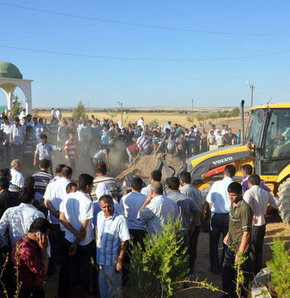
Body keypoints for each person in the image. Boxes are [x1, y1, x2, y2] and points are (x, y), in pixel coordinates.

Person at [59, 174, 95, 294]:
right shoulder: (87, 201)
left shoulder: (68, 198)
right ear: (87, 186)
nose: (92, 187)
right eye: (92, 185)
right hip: (84, 242)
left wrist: (73, 233)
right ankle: (83, 293)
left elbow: (62, 218)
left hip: (69, 239)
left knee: (73, 269)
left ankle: (73, 292)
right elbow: (83, 229)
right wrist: (77, 238)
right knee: (84, 270)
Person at [244, 174, 280, 275]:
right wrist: (266, 210)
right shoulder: (265, 193)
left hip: (253, 225)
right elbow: (277, 203)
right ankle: (257, 271)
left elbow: (245, 206)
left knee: (251, 250)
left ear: (249, 183)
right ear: (259, 183)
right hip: (262, 224)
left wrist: (251, 216)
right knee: (259, 249)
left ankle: (251, 274)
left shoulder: (249, 192)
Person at [166, 177, 201, 278]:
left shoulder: (166, 199)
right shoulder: (187, 199)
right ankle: (185, 276)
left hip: (170, 233)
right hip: (185, 232)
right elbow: (198, 211)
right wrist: (193, 225)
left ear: (168, 187)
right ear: (179, 185)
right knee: (184, 255)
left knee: (171, 255)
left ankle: (172, 278)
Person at [222, 182, 253, 297]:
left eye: (233, 195)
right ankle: (227, 294)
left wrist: (240, 253)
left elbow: (247, 232)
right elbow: (234, 223)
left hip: (240, 247)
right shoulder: (233, 204)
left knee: (239, 276)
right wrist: (227, 234)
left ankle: (239, 295)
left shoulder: (245, 208)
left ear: (240, 193)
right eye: (229, 194)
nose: (231, 197)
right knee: (226, 272)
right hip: (230, 245)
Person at [96, 195, 130, 298]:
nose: (107, 209)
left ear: (113, 204)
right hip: (101, 260)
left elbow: (124, 241)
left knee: (114, 290)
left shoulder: (120, 219)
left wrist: (119, 261)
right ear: (100, 207)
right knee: (103, 288)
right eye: (104, 207)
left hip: (112, 262)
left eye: (109, 206)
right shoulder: (99, 216)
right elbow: (97, 233)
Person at [206, 164, 236, 274]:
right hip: (229, 217)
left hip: (216, 216)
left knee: (213, 243)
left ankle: (214, 268)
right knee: (227, 242)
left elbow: (209, 200)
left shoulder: (216, 184)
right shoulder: (235, 185)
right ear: (234, 173)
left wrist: (213, 210)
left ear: (224, 172)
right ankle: (224, 265)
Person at [12, 218, 51, 298]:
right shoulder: (27, 251)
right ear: (38, 233)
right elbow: (43, 271)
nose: (46, 238)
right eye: (46, 235)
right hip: (30, 290)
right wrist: (44, 249)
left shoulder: (20, 241)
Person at [179, 171, 203, 276]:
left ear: (182, 181)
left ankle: (184, 270)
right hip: (196, 224)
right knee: (193, 247)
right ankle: (191, 270)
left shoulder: (183, 191)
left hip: (186, 224)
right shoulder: (198, 191)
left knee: (184, 248)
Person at [120, 177, 147, 244]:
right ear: (141, 186)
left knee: (129, 253)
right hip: (141, 229)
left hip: (128, 229)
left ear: (131, 186)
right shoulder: (145, 199)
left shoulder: (124, 198)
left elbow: (121, 214)